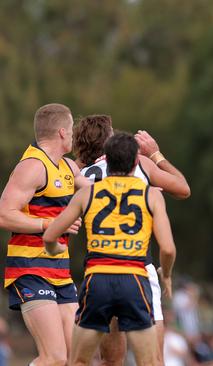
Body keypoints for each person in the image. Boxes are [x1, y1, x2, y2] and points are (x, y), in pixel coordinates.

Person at [43, 132, 177, 365]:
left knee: (79, 361)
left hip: (97, 281)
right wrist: (166, 275)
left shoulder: (88, 192)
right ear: (136, 162)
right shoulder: (151, 195)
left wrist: (53, 249)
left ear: (107, 160)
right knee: (152, 362)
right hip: (134, 280)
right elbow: (167, 249)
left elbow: (51, 234)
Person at [72, 114, 190, 365]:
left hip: (99, 271)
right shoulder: (140, 165)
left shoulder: (82, 176)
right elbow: (183, 189)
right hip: (138, 269)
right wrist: (156, 154)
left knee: (110, 360)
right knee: (153, 360)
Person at [0, 103, 90, 365]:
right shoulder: (33, 166)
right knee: (54, 357)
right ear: (63, 132)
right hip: (30, 270)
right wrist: (50, 224)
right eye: (72, 129)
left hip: (60, 274)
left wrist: (138, 183)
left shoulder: (68, 167)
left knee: (77, 357)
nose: (73, 135)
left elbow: (99, 191)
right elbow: (4, 214)